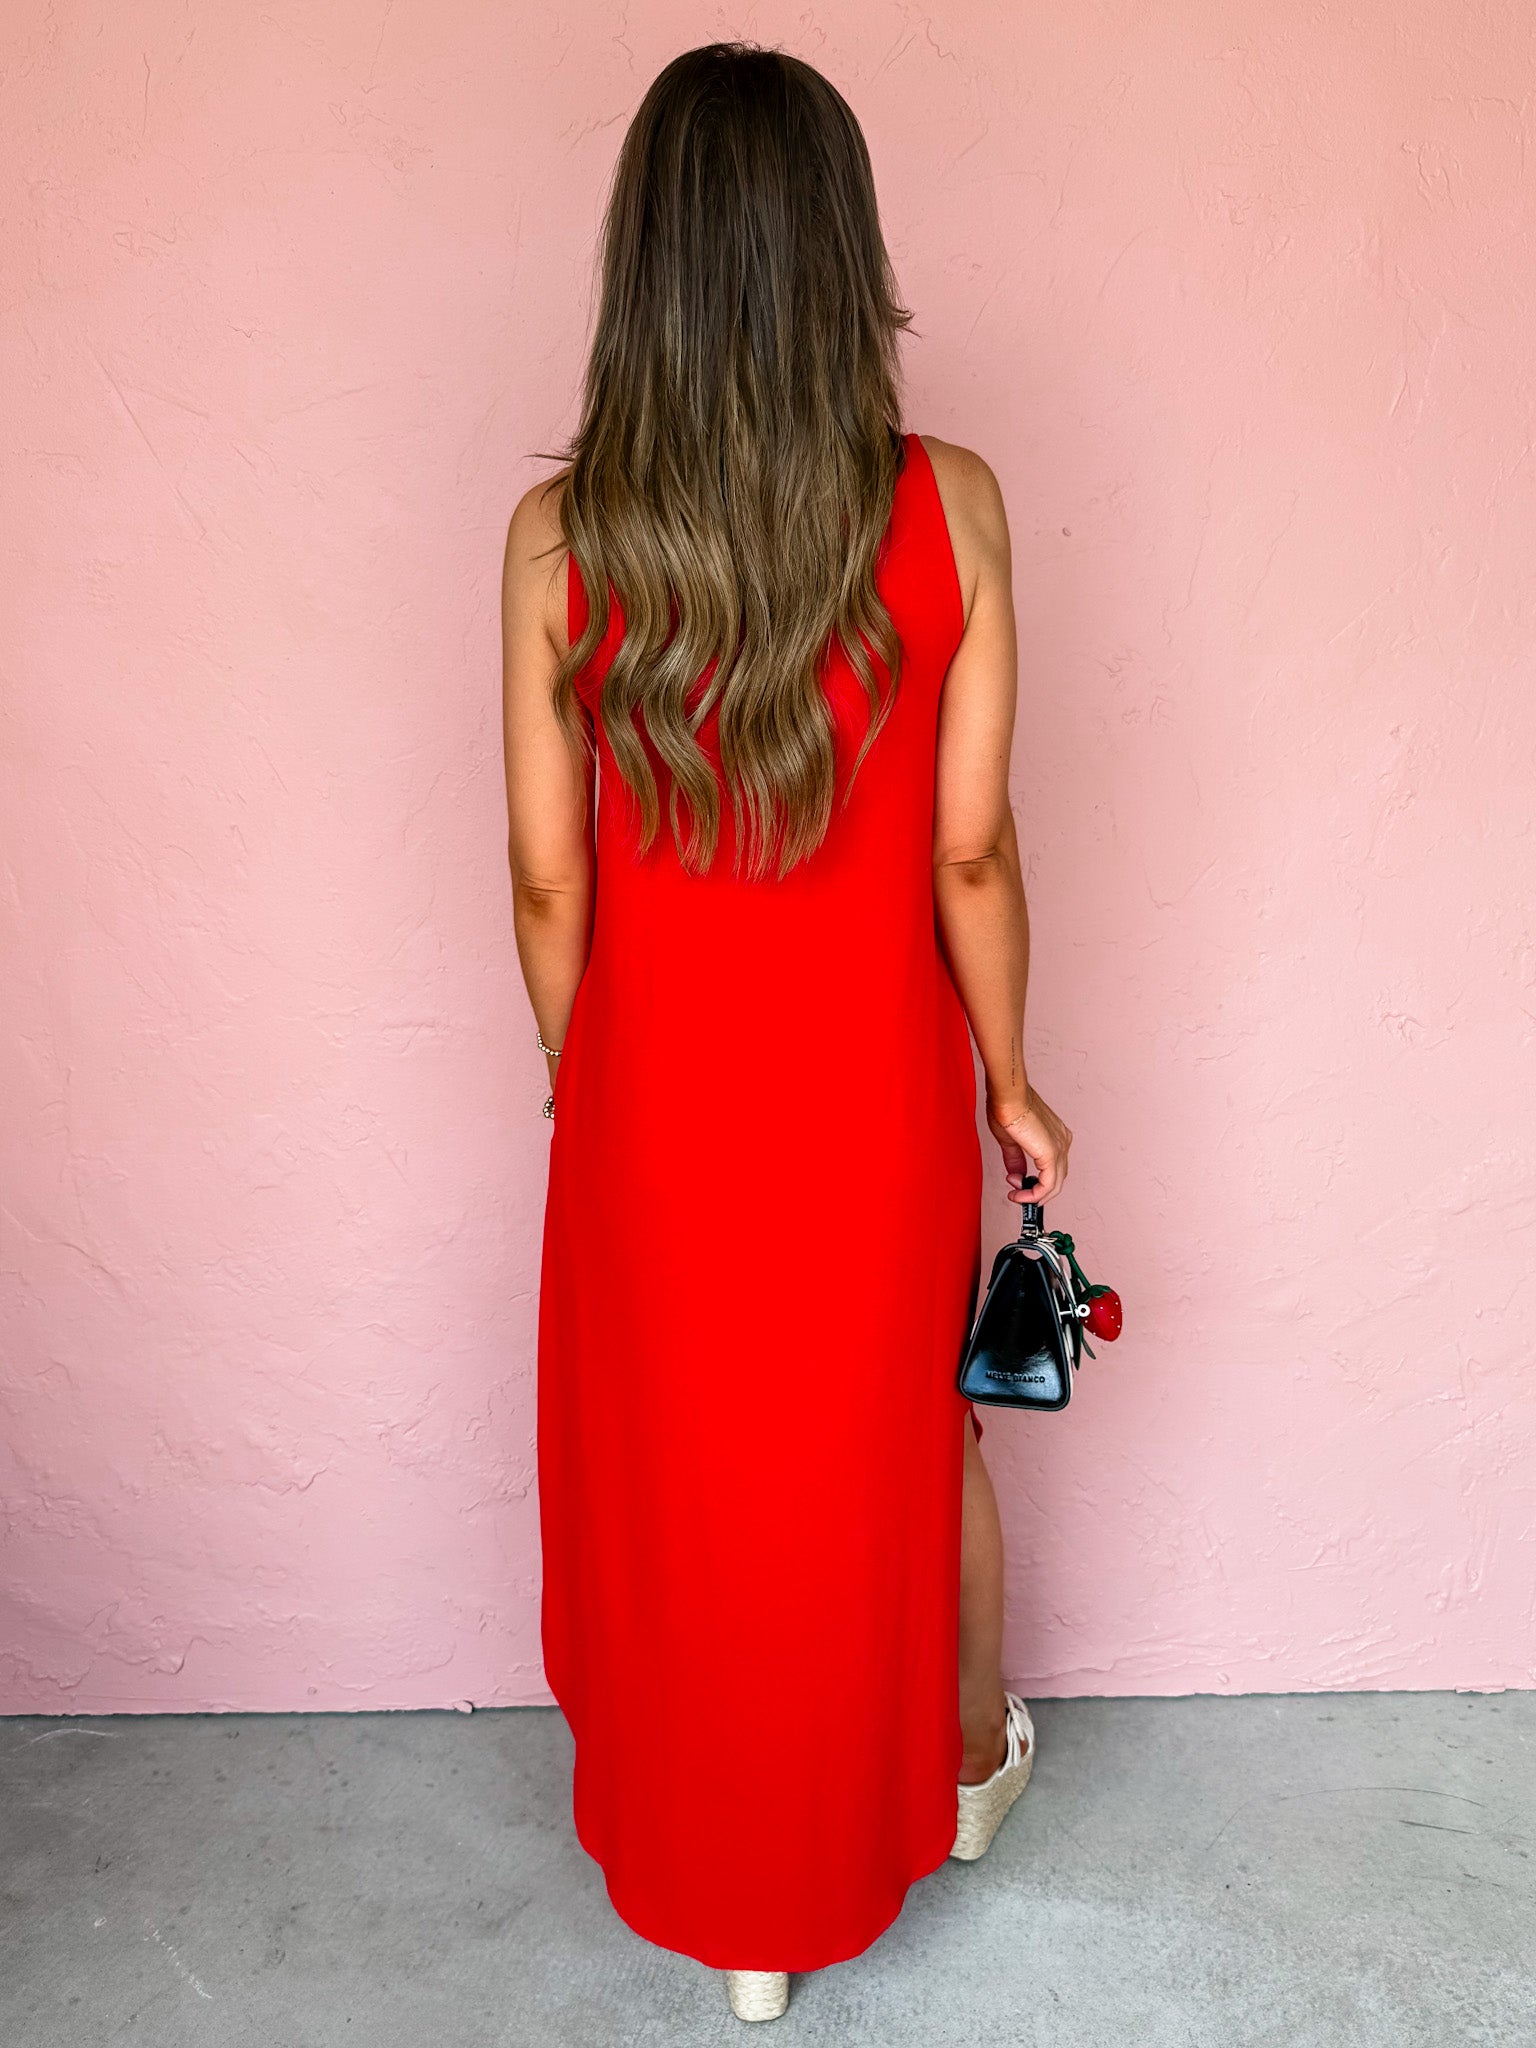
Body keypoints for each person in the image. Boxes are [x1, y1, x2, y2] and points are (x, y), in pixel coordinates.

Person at [500, 41, 1071, 2025]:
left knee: (684, 1468)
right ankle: (964, 1770)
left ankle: (729, 1894)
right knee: (899, 1442)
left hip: (654, 1102)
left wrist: (584, 1071)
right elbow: (970, 847)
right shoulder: (953, 507)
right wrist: (1010, 1077)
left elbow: (550, 881)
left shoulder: (561, 541)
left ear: (644, 262)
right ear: (844, 254)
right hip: (869, 1099)